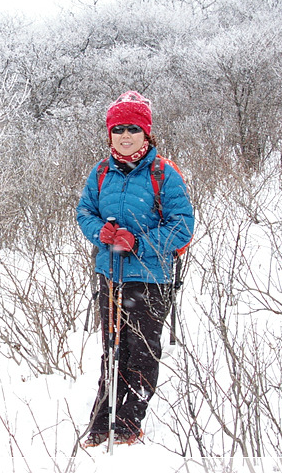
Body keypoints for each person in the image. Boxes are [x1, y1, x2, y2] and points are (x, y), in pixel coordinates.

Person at [76, 90, 194, 447]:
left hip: (150, 277)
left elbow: (182, 226)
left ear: (147, 133)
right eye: (118, 129)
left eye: (133, 129)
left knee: (141, 350)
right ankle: (101, 421)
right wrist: (101, 232)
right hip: (110, 272)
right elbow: (84, 213)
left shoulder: (164, 173)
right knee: (112, 348)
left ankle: (129, 422)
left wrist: (139, 243)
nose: (125, 136)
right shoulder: (100, 173)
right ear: (110, 133)